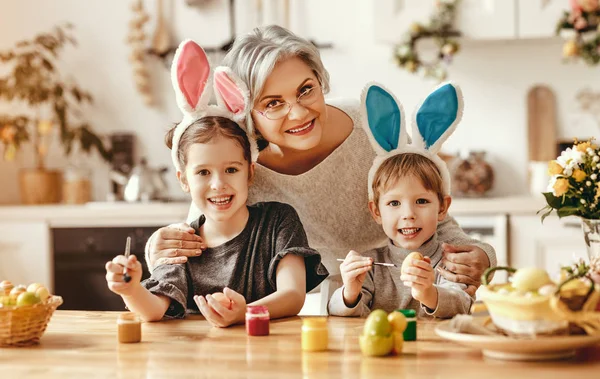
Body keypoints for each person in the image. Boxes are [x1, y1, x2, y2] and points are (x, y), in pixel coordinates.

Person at [145, 25, 496, 295]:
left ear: (320, 81)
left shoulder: (369, 127)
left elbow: (435, 217)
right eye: (273, 103)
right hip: (305, 311)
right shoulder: (239, 163)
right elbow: (200, 235)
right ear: (243, 109)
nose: (298, 113)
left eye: (305, 89)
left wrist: (481, 256)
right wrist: (157, 250)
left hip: (397, 294)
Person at [105, 41, 328, 325]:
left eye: (231, 169)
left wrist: (244, 312)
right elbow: (153, 310)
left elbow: (293, 295)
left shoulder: (279, 222)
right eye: (203, 173)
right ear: (183, 180)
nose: (218, 184)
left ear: (250, 171)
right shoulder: (183, 244)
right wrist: (130, 289)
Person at [329, 82, 474, 317]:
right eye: (394, 203)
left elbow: (461, 304)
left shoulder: (450, 262)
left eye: (421, 201)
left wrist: (428, 292)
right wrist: (350, 291)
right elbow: (339, 314)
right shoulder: (372, 265)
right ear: (376, 211)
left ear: (443, 208)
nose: (408, 214)